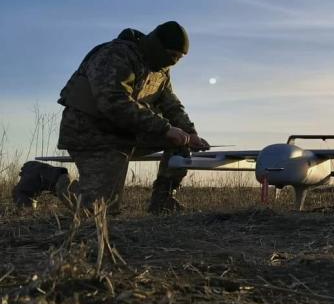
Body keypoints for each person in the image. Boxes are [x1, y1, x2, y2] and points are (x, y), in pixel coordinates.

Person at [12, 21, 209, 214]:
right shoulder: (114, 55)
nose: (173, 62)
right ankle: (44, 176)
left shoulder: (159, 70)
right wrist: (165, 129)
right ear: (159, 47)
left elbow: (171, 104)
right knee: (98, 210)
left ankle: (163, 200)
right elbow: (113, 102)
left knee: (180, 141)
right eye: (172, 55)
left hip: (126, 132)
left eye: (178, 58)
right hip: (91, 133)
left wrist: (190, 134)